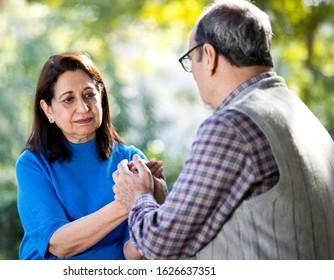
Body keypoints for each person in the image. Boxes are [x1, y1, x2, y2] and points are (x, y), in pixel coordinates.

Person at [113, 0, 334, 259]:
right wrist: (162, 204)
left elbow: (158, 244)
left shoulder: (232, 125)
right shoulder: (300, 114)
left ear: (208, 55)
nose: (193, 73)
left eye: (190, 60)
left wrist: (138, 195)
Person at [15, 52, 166, 260]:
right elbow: (60, 245)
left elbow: (132, 255)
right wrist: (129, 200)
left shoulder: (131, 159)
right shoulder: (32, 164)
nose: (83, 108)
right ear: (47, 109)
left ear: (101, 97)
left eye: (89, 94)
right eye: (68, 99)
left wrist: (157, 202)